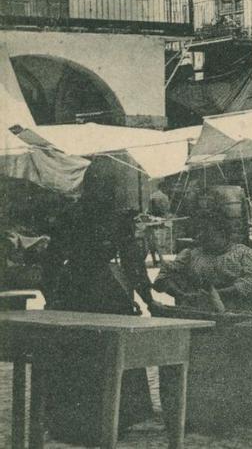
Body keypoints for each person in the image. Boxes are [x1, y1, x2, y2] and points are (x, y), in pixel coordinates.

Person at [39, 159, 155, 443]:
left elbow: (51, 261)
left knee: (76, 357)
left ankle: (71, 421)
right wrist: (149, 300)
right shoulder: (117, 218)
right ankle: (111, 420)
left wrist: (52, 296)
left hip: (74, 290)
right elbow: (132, 264)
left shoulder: (70, 214)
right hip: (102, 291)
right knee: (109, 354)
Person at [154, 209, 252, 313]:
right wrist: (182, 295)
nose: (199, 235)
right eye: (198, 231)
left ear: (222, 232)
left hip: (241, 315)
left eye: (205, 231)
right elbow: (161, 280)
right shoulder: (190, 255)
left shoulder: (244, 254)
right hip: (199, 315)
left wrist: (215, 295)